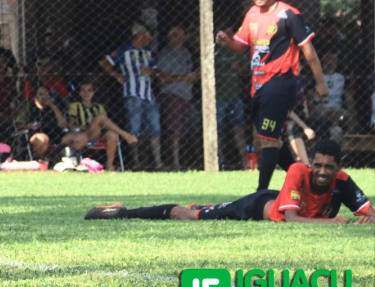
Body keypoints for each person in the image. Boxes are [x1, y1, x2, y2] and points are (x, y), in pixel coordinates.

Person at [216, 0, 328, 190]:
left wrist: (320, 81)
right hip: (258, 87)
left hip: (280, 84)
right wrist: (227, 41)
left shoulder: (289, 15)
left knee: (267, 140)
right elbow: (241, 45)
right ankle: (306, 182)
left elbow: (308, 50)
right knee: (271, 140)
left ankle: (260, 193)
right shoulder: (251, 14)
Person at [85, 139, 373, 224]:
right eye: (318, 165)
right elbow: (293, 220)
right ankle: (118, 211)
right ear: (311, 164)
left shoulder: (343, 182)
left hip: (276, 199)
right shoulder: (298, 170)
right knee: (187, 216)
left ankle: (209, 205)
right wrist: (332, 222)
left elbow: (369, 214)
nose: (322, 171)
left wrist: (367, 219)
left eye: (329, 167)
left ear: (338, 168)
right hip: (255, 207)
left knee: (210, 210)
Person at [100, 22, 162, 169]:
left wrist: (151, 72)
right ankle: (136, 163)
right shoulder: (124, 50)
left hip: (148, 95)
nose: (151, 37)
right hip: (132, 94)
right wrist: (117, 75)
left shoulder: (148, 52)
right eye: (149, 33)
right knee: (134, 129)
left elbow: (155, 71)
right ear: (140, 34)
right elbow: (104, 62)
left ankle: (158, 163)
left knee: (155, 130)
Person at [65, 81, 138, 172]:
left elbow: (105, 123)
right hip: (84, 134)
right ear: (79, 93)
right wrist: (84, 127)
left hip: (97, 133)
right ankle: (126, 135)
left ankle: (109, 165)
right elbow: (71, 124)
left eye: (90, 90)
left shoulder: (98, 107)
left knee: (111, 134)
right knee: (100, 117)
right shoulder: (75, 106)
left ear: (94, 92)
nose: (86, 93)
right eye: (83, 90)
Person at [156, 26, 199, 170]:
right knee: (175, 131)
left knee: (186, 130)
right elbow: (162, 78)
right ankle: (175, 162)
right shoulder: (165, 54)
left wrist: (195, 76)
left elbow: (190, 77)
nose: (175, 37)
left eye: (178, 34)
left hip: (187, 96)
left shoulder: (187, 52)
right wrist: (185, 77)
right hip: (171, 95)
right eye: (173, 34)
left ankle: (187, 159)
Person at [214, 26, 248, 168]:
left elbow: (247, 71)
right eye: (226, 33)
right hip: (218, 96)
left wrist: (238, 68)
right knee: (217, 129)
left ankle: (245, 159)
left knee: (239, 128)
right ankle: (219, 160)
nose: (229, 35)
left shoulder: (236, 50)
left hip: (234, 95)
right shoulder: (214, 51)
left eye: (231, 33)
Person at [307, 52, 354, 143]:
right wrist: (312, 110)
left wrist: (352, 111)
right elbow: (309, 98)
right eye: (328, 59)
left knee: (350, 117)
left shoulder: (342, 78)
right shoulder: (315, 76)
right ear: (322, 61)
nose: (331, 62)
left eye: (334, 60)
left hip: (337, 107)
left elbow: (349, 98)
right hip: (321, 107)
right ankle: (333, 137)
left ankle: (351, 139)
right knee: (330, 115)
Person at [24, 85, 68, 161]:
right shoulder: (28, 107)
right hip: (38, 134)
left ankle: (70, 161)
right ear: (35, 96)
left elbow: (63, 125)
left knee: (79, 138)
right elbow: (19, 124)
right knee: (42, 138)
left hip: (57, 135)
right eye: (41, 94)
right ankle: (42, 161)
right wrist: (28, 125)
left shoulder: (55, 107)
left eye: (46, 94)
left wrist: (52, 106)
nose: (43, 96)